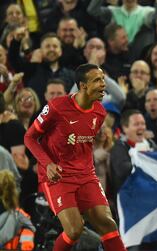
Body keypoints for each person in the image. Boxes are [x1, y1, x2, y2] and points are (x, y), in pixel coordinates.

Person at [24, 64, 127, 251]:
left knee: (108, 224)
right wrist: (47, 164)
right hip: (57, 175)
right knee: (74, 229)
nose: (103, 84)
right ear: (82, 86)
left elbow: (83, 145)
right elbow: (29, 138)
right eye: (97, 80)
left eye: (103, 79)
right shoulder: (57, 107)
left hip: (86, 175)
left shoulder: (100, 113)